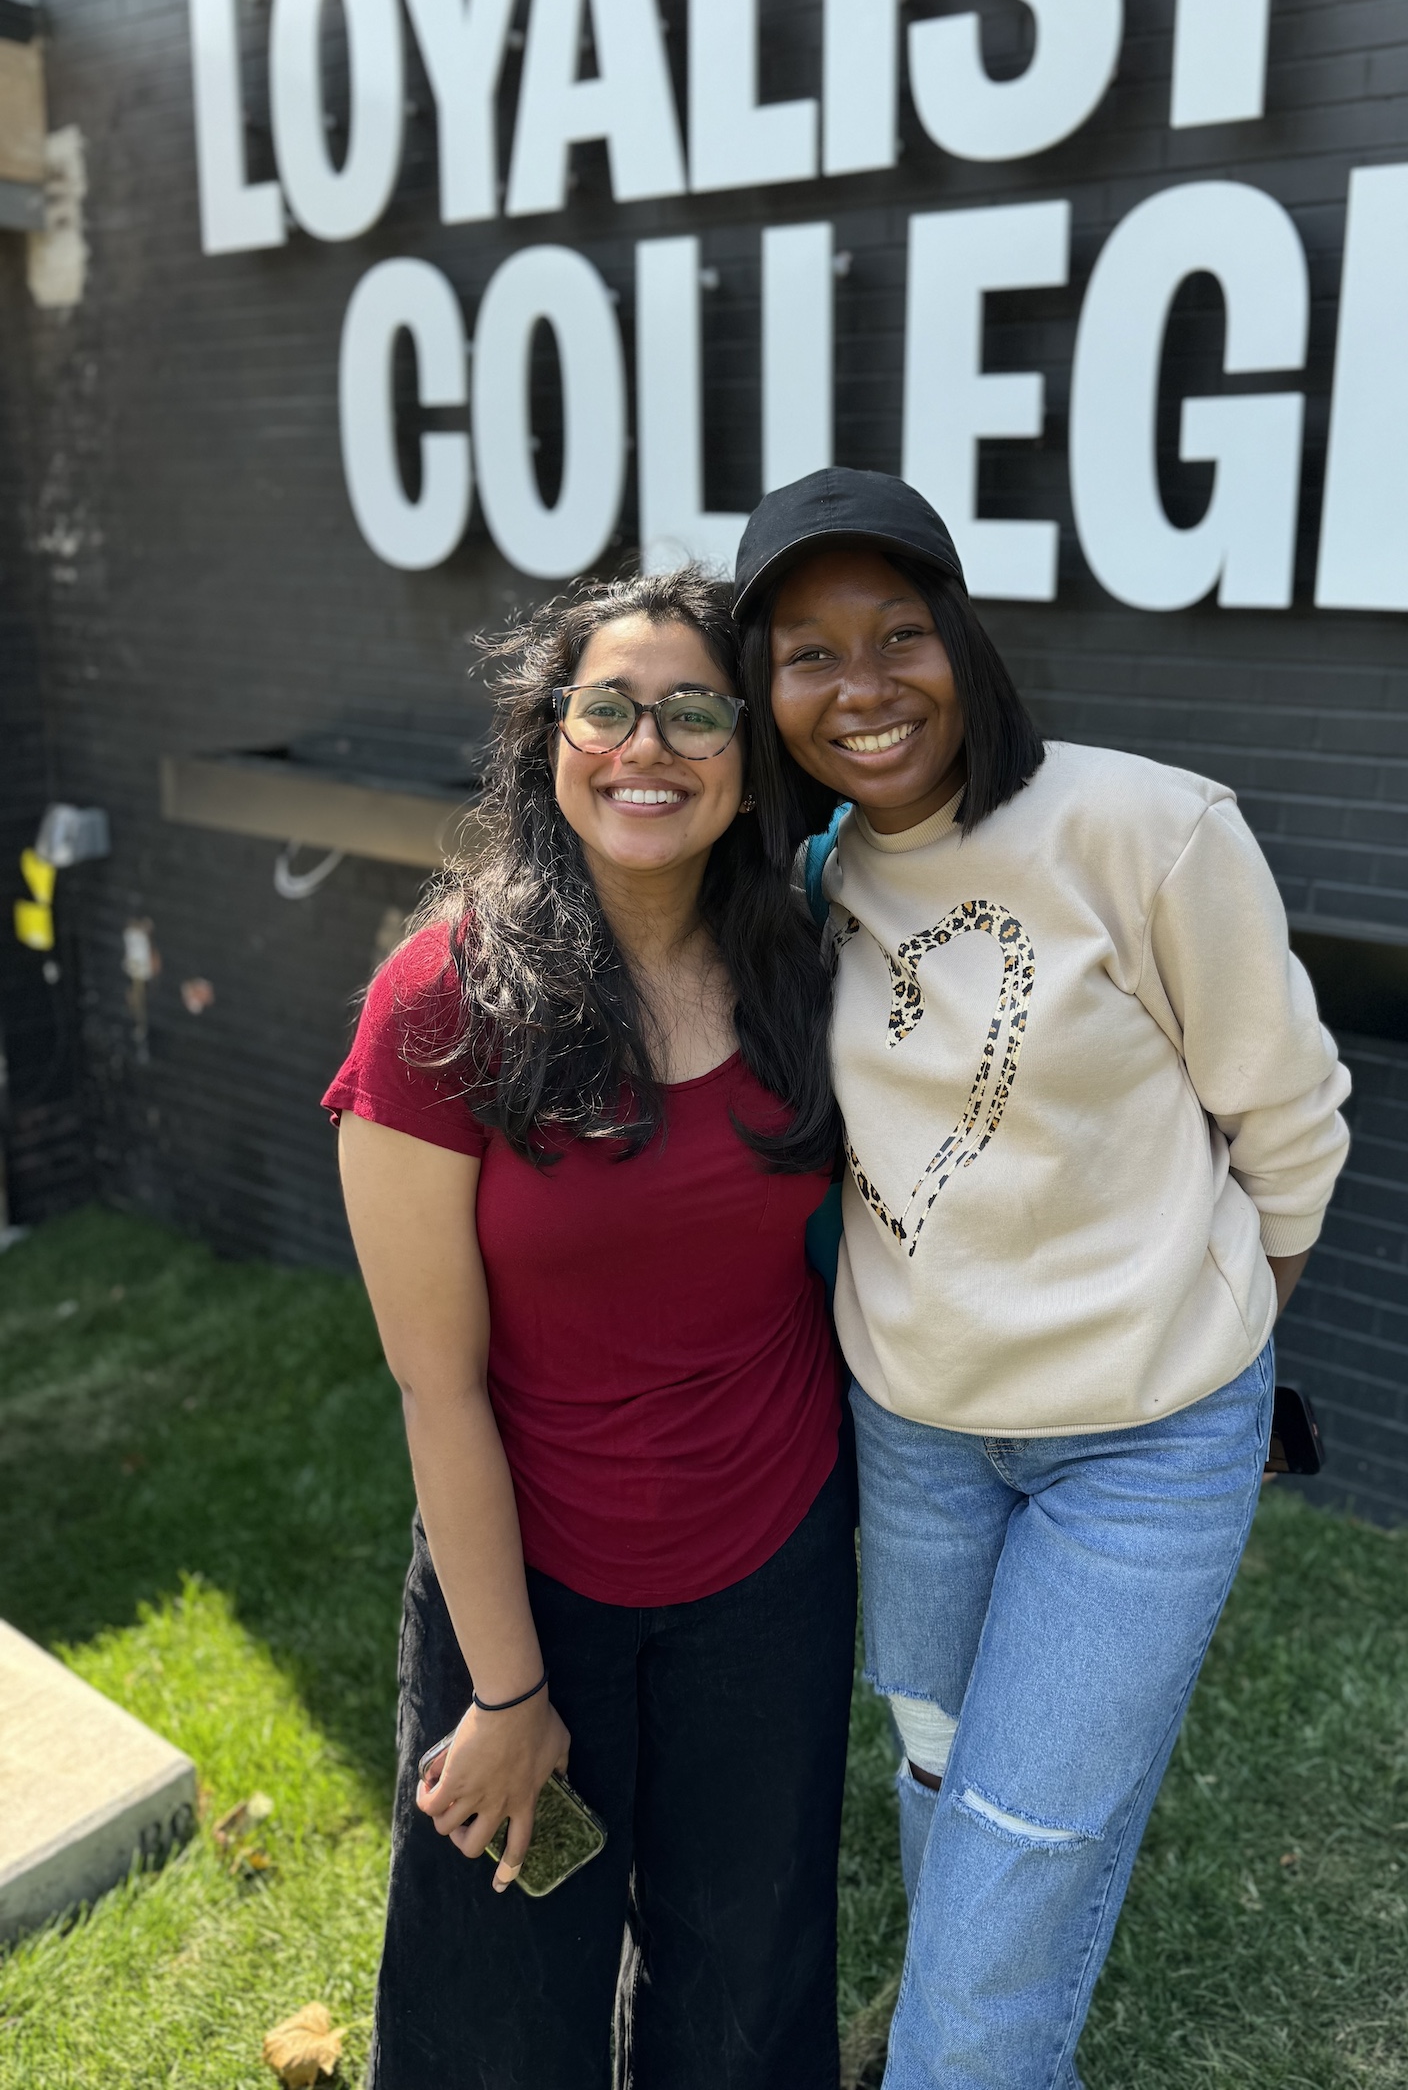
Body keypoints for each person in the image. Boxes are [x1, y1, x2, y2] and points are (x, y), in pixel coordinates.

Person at [734, 471, 1353, 2090]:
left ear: (967, 642)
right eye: (809, 653)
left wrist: (1218, 1333)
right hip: (924, 1438)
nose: (862, 688)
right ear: (765, 689)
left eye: (900, 634)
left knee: (1017, 1854)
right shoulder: (816, 884)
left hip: (1142, 1449)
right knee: (942, 1795)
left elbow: (1287, 1117)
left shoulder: (1142, 828)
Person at [324, 568, 853, 2090]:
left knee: (748, 1988)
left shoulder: (798, 960)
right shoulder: (441, 1003)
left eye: (697, 712)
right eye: (609, 706)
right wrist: (504, 1692)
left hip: (773, 1572)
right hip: (531, 1588)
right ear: (548, 736)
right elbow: (438, 1388)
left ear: (749, 753)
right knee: (496, 2007)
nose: (650, 747)